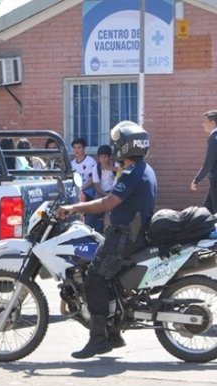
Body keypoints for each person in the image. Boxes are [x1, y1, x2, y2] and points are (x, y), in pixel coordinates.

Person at [57, 121, 156, 359]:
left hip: (124, 236)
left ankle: (98, 339)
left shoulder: (133, 173)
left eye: (117, 144)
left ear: (124, 147)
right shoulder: (144, 168)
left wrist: (73, 208)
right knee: (108, 278)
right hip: (130, 234)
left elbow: (106, 203)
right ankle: (114, 333)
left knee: (93, 278)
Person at [191, 110, 217, 213]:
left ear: (212, 122)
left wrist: (197, 179)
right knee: (207, 210)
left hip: (216, 180)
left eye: (205, 122)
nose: (203, 125)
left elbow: (209, 162)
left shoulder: (214, 138)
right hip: (214, 181)